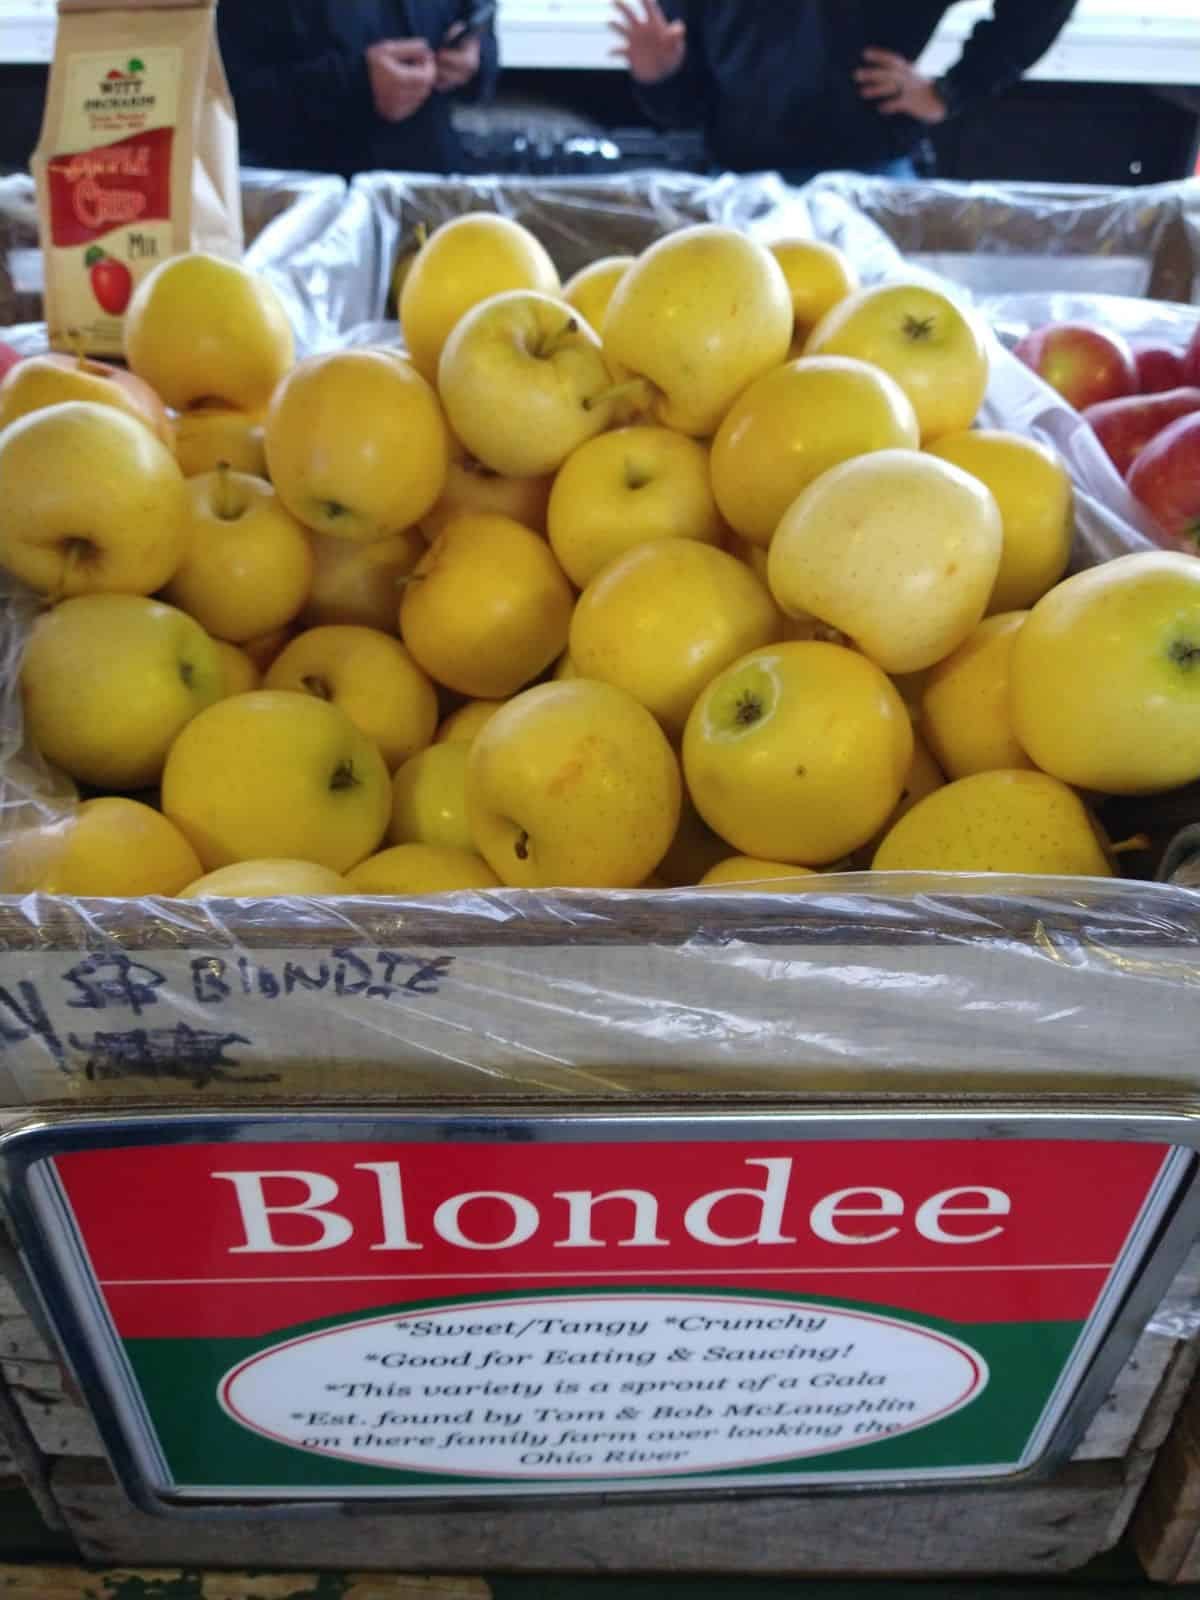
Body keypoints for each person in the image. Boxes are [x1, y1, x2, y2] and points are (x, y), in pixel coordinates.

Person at [610, 0, 1077, 184]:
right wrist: (661, 74)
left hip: (874, 178)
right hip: (737, 185)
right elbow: (686, 106)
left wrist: (951, 91)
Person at [218, 2, 500, 178]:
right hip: (312, 216)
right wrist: (357, 85)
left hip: (430, 196)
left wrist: (474, 57)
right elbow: (226, 103)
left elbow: (478, 20)